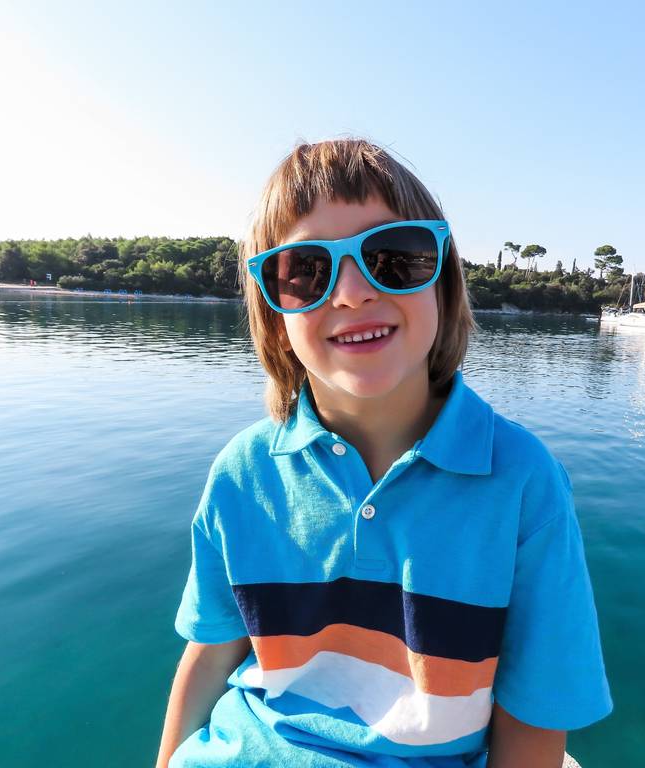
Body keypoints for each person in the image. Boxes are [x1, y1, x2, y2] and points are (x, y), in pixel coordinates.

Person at [155, 138, 612, 767]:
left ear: (444, 283)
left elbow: (534, 716)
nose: (350, 293)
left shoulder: (523, 484)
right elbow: (212, 651)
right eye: (305, 271)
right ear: (273, 312)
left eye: (393, 258)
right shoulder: (243, 471)